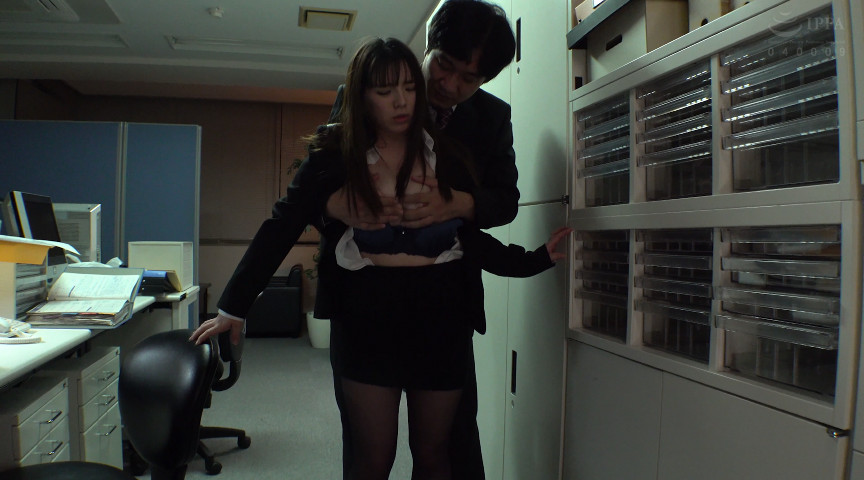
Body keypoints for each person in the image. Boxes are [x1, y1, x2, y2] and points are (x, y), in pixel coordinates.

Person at [190, 37, 566, 480]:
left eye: (409, 88)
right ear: (362, 95)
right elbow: (284, 221)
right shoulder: (337, 152)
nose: (401, 101)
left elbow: (470, 239)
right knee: (372, 458)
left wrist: (535, 259)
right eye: (385, 92)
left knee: (435, 454)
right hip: (366, 313)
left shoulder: (446, 152)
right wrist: (234, 305)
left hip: (441, 313)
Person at [322, 2, 519, 478]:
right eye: (444, 65)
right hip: (365, 297)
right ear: (429, 45)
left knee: (448, 448)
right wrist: (335, 205)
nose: (449, 84)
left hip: (445, 300)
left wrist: (459, 204)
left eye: (469, 79)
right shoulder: (364, 96)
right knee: (367, 450)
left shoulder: (492, 117)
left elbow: (506, 201)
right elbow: (315, 190)